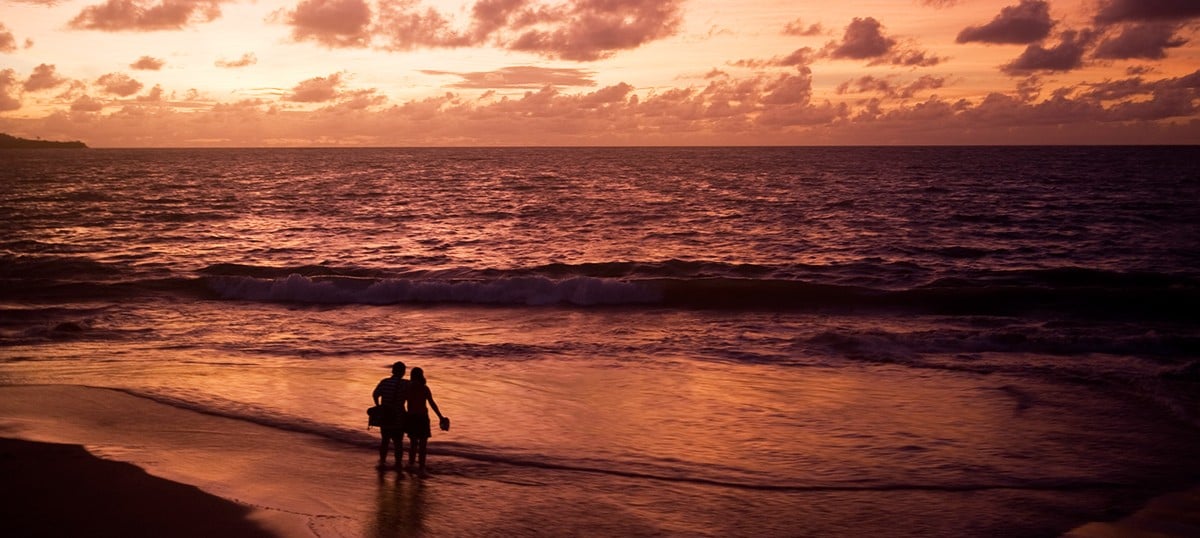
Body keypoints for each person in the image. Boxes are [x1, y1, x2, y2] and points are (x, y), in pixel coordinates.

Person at [404, 367, 446, 477]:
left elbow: (403, 402)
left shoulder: (408, 387)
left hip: (411, 417)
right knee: (423, 445)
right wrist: (440, 417)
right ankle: (421, 468)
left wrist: (403, 415)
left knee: (413, 444)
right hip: (422, 418)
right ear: (421, 376)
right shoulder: (424, 388)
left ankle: (411, 465)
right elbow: (432, 404)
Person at [373, 361, 410, 470]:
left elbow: (375, 394)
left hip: (385, 416)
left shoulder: (384, 382)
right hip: (398, 417)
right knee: (398, 443)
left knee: (385, 441)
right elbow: (409, 397)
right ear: (403, 372)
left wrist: (379, 406)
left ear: (393, 371)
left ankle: (382, 462)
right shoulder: (405, 384)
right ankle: (398, 464)